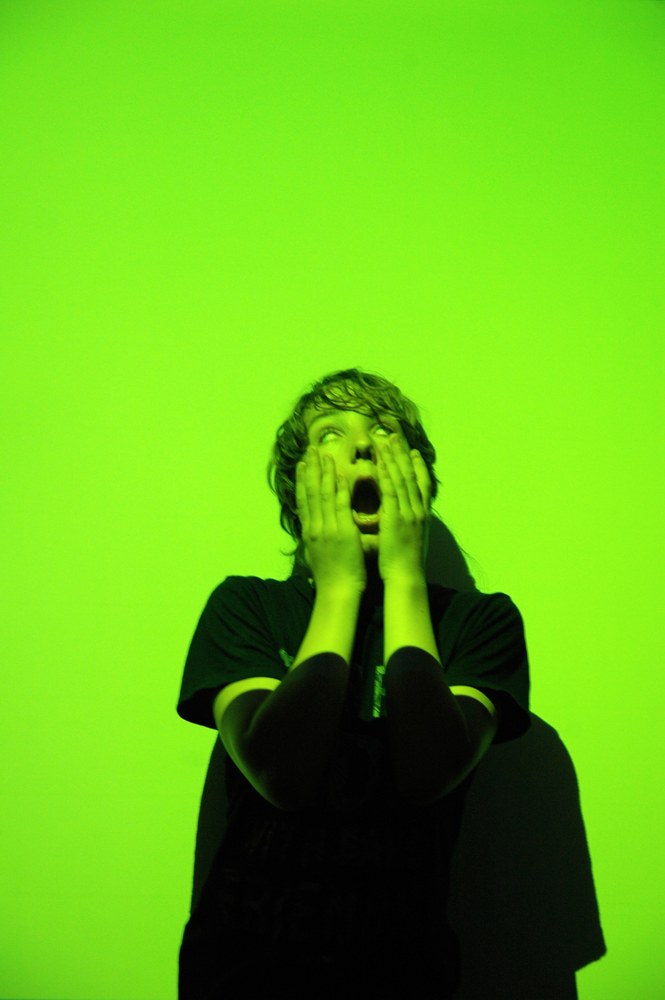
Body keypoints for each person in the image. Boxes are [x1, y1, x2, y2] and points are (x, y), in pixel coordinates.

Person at [176, 368, 530, 999]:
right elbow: (280, 774)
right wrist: (339, 587)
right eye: (331, 433)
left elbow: (429, 772)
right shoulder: (246, 608)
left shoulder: (479, 623)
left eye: (384, 431)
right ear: (298, 487)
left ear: (419, 477)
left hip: (406, 978)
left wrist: (405, 576)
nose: (363, 444)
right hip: (241, 975)